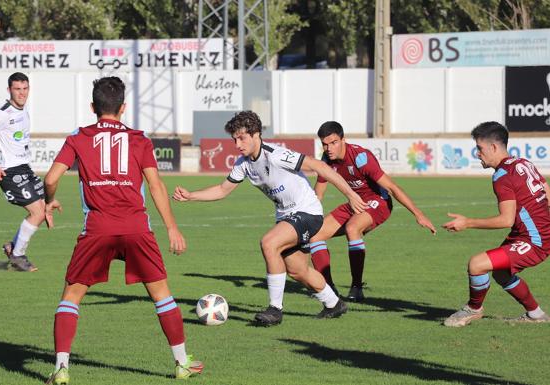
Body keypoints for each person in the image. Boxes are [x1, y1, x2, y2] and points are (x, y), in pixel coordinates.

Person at [42, 76, 202, 383]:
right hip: (136, 227)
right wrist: (172, 228)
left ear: (93, 106)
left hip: (97, 229)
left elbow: (51, 179)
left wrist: (49, 201)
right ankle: (182, 363)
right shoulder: (139, 138)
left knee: (71, 297)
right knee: (162, 296)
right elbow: (155, 185)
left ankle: (61, 367)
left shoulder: (78, 137)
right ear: (123, 107)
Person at [173, 111, 368, 326]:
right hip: (287, 216)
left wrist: (351, 194)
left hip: (307, 212)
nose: (237, 144)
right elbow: (222, 190)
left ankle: (275, 310)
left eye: (242, 138)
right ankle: (334, 304)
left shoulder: (275, 154)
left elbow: (318, 166)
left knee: (269, 242)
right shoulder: (243, 163)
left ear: (256, 135)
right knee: (297, 270)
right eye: (234, 139)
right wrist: (191, 196)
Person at [308, 121, 436, 301]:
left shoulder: (361, 157)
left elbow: (392, 187)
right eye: (325, 144)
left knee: (353, 228)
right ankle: (327, 290)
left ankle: (357, 287)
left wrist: (418, 214)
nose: (329, 148)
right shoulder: (326, 160)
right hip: (355, 203)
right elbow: (318, 194)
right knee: (314, 235)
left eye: (334, 142)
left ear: (343, 139)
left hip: (378, 201)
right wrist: (307, 219)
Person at [442, 121, 550, 327]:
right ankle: (536, 314)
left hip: (534, 240)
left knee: (476, 264)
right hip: (531, 235)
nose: (477, 154)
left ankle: (473, 309)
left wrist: (467, 222)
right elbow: (547, 192)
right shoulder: (523, 163)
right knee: (501, 273)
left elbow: (505, 219)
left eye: (479, 148)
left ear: (493, 147)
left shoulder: (502, 175)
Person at [0, 72, 45, 272]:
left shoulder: (23, 110)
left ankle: (12, 247)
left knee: (42, 210)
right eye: (17, 89)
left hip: (25, 167)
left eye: (25, 89)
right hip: (10, 170)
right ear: (9, 90)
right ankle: (18, 255)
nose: (22, 93)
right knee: (37, 212)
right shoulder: (2, 114)